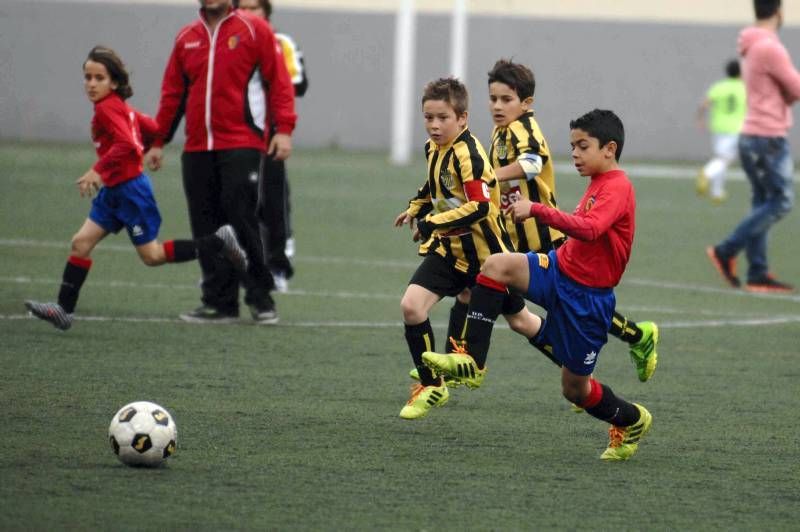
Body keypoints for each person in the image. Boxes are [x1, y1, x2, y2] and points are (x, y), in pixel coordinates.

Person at [423, 109, 653, 461]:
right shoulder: (599, 182)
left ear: (609, 148)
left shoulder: (619, 187)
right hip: (558, 270)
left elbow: (590, 230)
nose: (574, 153)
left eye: (582, 146)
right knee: (496, 266)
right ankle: (472, 361)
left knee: (575, 389)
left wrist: (536, 210)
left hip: (587, 298)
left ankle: (631, 419)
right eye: (572, 146)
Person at [431, 59, 658, 384]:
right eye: (493, 98)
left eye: (506, 99)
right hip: (513, 233)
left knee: (569, 305)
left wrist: (490, 177)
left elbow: (533, 163)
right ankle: (459, 366)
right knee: (490, 297)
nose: (497, 105)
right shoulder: (501, 132)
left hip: (545, 236)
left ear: (525, 103)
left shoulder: (524, 129)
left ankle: (631, 341)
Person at [24, 46, 248, 331]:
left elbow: (127, 144)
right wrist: (153, 148)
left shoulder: (108, 109)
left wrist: (98, 170)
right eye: (87, 77)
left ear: (114, 82)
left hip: (131, 192)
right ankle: (64, 310)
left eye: (99, 78)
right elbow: (153, 128)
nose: (91, 84)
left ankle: (219, 242)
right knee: (81, 243)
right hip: (113, 193)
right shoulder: (120, 107)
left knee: (152, 256)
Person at [394, 77, 542, 420]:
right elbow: (434, 186)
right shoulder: (435, 148)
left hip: (487, 258)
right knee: (411, 307)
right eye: (428, 117)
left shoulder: (471, 155)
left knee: (521, 321)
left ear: (462, 118)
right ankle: (432, 387)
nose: (434, 125)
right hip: (450, 252)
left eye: (442, 118)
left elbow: (477, 206)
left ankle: (577, 369)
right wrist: (417, 207)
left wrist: (433, 222)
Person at [144, 0, 297, 323]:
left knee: (240, 217)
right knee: (206, 224)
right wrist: (158, 141)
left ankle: (261, 297)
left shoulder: (255, 30)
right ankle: (219, 301)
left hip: (242, 142)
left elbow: (279, 82)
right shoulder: (186, 37)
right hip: (197, 146)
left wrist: (283, 130)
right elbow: (173, 93)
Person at [707, 0, 799, 293]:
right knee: (781, 201)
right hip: (767, 137)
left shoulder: (751, 44)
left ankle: (757, 272)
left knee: (763, 202)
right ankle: (726, 250)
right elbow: (796, 88)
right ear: (779, 12)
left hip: (753, 136)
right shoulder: (769, 47)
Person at [237, 0, 309, 293]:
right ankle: (229, 270)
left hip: (268, 137)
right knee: (232, 203)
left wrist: (266, 79)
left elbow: (298, 83)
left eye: (254, 8)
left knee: (273, 202)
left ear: (266, 12)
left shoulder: (280, 43)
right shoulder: (227, 43)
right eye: (242, 8)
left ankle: (278, 266)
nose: (248, 14)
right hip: (232, 137)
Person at [695, 59, 746, 203]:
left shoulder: (719, 87)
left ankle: (717, 193)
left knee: (720, 157)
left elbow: (704, 104)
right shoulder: (744, 88)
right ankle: (707, 173)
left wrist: (700, 119)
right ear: (740, 72)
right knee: (726, 159)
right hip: (736, 129)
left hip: (718, 128)